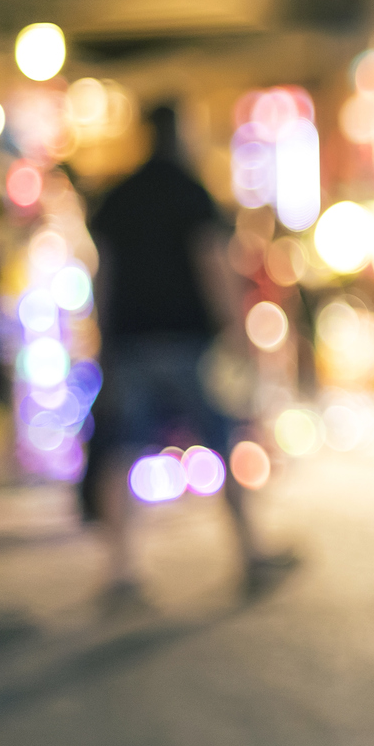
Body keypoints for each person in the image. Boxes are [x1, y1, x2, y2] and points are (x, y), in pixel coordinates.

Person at [88, 104, 289, 599]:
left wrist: (100, 337)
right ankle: (251, 554)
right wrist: (237, 330)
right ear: (180, 134)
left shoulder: (119, 197)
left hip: (131, 340)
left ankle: (121, 571)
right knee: (221, 440)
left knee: (122, 449)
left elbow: (103, 273)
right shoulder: (191, 193)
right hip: (188, 340)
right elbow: (212, 264)